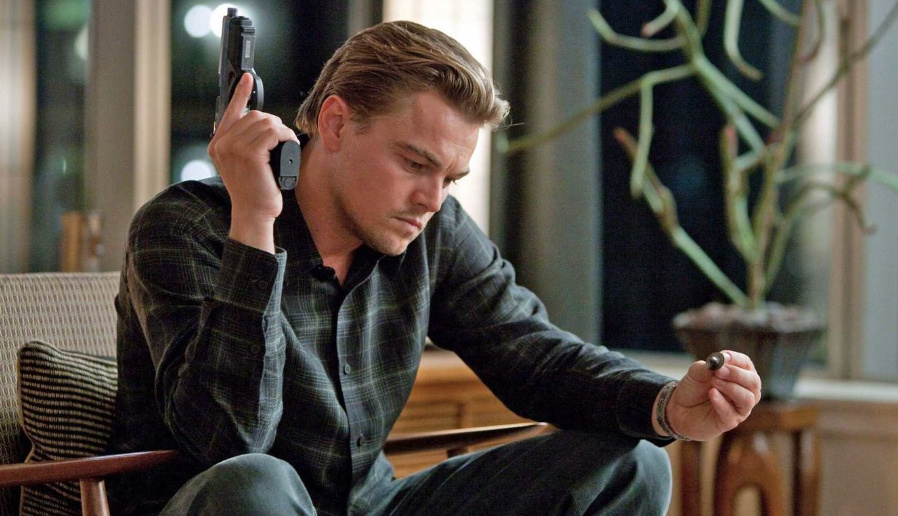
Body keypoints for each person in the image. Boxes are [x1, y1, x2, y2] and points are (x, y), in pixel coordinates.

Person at [108, 20, 762, 516]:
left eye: (450, 178)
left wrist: (666, 405)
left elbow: (533, 354)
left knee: (633, 463)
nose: (432, 198)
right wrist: (254, 225)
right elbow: (227, 441)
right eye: (416, 164)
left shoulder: (432, 228)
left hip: (374, 505)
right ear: (335, 123)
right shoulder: (184, 228)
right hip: (233, 503)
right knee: (256, 480)